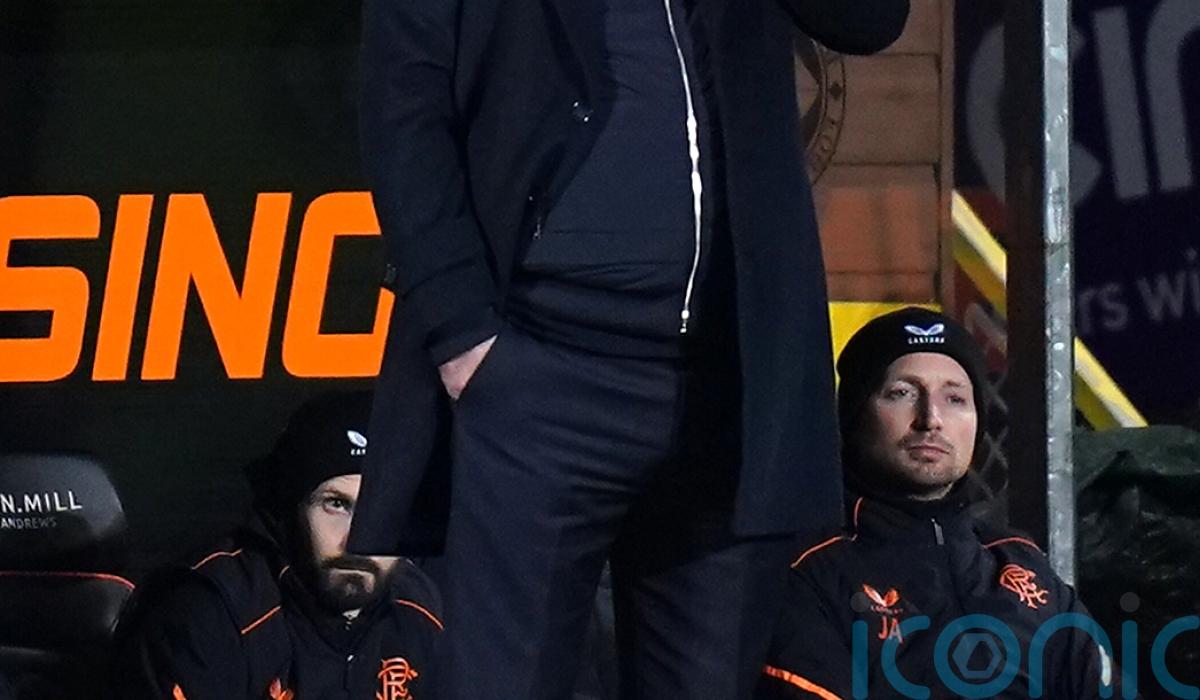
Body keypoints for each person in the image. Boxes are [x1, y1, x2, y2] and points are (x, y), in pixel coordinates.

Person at [351, 0, 911, 696]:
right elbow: (404, 108)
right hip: (540, 374)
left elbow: (870, 20)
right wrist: (464, 333)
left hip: (727, 383)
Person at [756, 308, 1120, 699]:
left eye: (955, 398)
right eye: (902, 394)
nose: (931, 419)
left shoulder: (1021, 564)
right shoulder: (813, 570)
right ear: (853, 416)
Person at [111, 392, 443, 699]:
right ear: (290, 507)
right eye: (336, 504)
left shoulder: (418, 609)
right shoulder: (213, 611)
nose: (359, 540)